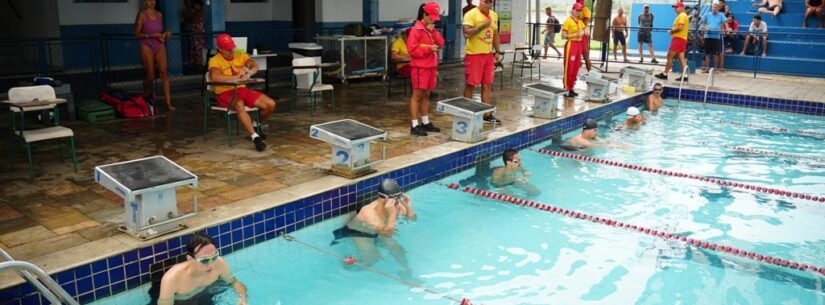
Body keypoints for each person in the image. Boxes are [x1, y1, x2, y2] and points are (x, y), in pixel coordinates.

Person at [208, 33, 277, 151]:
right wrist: (236, 77)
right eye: (228, 49)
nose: (231, 51)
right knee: (239, 104)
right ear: (220, 49)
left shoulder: (240, 55)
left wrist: (248, 72)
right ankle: (255, 137)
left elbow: (254, 65)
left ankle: (255, 125)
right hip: (225, 93)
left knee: (270, 104)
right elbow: (215, 77)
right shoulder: (215, 60)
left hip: (242, 89)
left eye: (232, 47)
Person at [331, 179, 415, 275]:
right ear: (383, 197)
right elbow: (388, 234)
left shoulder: (396, 204)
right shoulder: (369, 212)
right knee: (373, 258)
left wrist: (408, 206)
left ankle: (407, 270)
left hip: (379, 231)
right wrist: (391, 214)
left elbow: (412, 219)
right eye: (394, 197)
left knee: (397, 248)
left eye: (399, 196)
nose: (397, 200)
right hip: (361, 233)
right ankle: (348, 260)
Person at [156, 232, 248, 305]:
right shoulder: (172, 279)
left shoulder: (219, 263)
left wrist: (243, 299)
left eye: (214, 257)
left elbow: (233, 282)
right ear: (190, 259)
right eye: (204, 260)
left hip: (205, 295)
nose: (211, 264)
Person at [407, 2, 445, 136]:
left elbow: (441, 42)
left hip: (430, 67)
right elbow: (412, 50)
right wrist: (429, 49)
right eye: (432, 17)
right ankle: (414, 125)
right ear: (425, 15)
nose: (434, 19)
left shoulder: (430, 30)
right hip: (420, 67)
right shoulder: (416, 30)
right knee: (417, 95)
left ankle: (425, 121)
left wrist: (433, 31)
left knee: (426, 94)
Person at [134, 0, 174, 111]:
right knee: (151, 76)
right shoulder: (142, 14)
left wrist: (165, 34)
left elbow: (160, 31)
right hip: (146, 45)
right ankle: (145, 91)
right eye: (149, 0)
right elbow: (137, 34)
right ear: (145, 1)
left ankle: (168, 102)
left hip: (158, 44)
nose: (152, 2)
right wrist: (152, 35)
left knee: (164, 72)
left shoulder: (159, 14)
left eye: (153, 0)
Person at [655, 2, 690, 82]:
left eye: (677, 7)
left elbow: (680, 27)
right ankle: (685, 75)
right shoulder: (683, 16)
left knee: (670, 56)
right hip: (682, 38)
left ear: (681, 7)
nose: (675, 9)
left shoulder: (682, 16)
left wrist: (671, 31)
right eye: (674, 7)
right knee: (681, 58)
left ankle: (665, 73)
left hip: (678, 38)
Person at [562, 3, 587, 98]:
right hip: (571, 44)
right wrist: (576, 35)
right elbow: (563, 36)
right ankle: (566, 89)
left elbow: (586, 31)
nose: (578, 12)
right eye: (577, 10)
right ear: (573, 10)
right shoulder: (568, 21)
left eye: (580, 10)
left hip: (579, 45)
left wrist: (585, 31)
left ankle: (571, 87)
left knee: (576, 67)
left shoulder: (580, 22)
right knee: (569, 67)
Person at [700, 3, 727, 72]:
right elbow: (702, 23)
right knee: (707, 53)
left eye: (715, 7)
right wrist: (705, 27)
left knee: (716, 54)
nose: (714, 8)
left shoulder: (721, 15)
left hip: (716, 37)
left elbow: (725, 22)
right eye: (713, 7)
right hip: (707, 36)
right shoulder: (707, 14)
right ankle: (707, 68)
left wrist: (727, 28)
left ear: (718, 8)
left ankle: (715, 68)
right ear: (711, 8)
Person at [184, 0, 205, 69]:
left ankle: (199, 65)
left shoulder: (200, 12)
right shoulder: (195, 12)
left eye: (196, 5)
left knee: (199, 50)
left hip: (199, 35)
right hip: (195, 34)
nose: (195, 6)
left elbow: (194, 21)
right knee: (194, 49)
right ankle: (195, 64)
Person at [578, 0, 594, 71]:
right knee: (574, 56)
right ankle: (572, 76)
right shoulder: (576, 10)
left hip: (584, 34)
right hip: (576, 34)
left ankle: (590, 73)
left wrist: (574, 24)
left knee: (585, 55)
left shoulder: (586, 10)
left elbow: (585, 23)